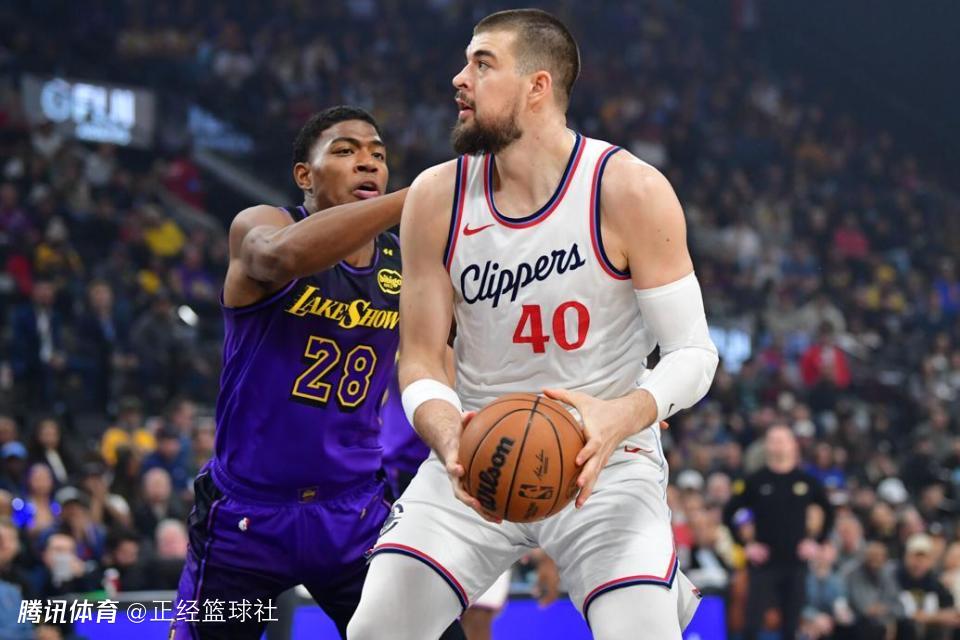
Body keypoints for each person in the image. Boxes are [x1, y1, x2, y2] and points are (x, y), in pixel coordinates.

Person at [348, 9, 718, 640]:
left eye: (482, 64)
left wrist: (622, 415)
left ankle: (652, 583)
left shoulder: (628, 188)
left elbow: (694, 353)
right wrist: (449, 436)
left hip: (607, 460)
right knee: (376, 631)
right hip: (478, 449)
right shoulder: (435, 197)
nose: (459, 78)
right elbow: (420, 357)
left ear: (537, 86)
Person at [172, 106, 463, 640]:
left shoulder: (407, 261)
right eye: (346, 151)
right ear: (305, 175)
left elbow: (449, 358)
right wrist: (416, 198)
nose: (368, 163)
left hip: (354, 514)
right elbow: (277, 259)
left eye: (378, 154)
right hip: (246, 518)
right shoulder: (261, 225)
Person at [723, 425, 835, 639]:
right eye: (773, 440)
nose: (777, 445)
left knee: (791, 626)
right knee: (751, 625)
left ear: (793, 445)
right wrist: (745, 546)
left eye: (782, 440)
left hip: (795, 563)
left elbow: (829, 512)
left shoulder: (806, 480)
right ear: (766, 446)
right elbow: (729, 513)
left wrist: (817, 542)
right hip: (763, 564)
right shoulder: (755, 481)